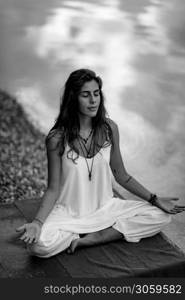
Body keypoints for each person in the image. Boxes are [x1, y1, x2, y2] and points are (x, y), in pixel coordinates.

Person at [16, 69, 185, 258]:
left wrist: (154, 199)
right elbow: (53, 189)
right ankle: (78, 231)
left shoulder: (109, 129)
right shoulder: (57, 138)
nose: (93, 100)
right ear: (73, 98)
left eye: (96, 94)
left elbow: (121, 175)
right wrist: (37, 223)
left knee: (161, 216)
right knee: (39, 246)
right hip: (69, 213)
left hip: (105, 208)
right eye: (86, 95)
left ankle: (94, 237)